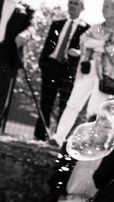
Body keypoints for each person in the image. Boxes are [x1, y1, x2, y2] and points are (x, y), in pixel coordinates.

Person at [52, 0, 114, 147]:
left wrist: (97, 43)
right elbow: (83, 41)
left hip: (105, 75)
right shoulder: (95, 27)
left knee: (94, 110)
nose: (103, 9)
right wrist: (103, 45)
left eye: (107, 7)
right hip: (88, 69)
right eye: (103, 6)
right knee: (73, 104)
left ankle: (86, 144)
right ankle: (58, 138)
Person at [34, 0, 89, 141]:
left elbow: (86, 51)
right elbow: (47, 45)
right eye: (70, 2)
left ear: (82, 8)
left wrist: (78, 53)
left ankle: (58, 139)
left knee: (64, 106)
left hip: (68, 71)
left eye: (76, 3)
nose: (72, 5)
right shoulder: (56, 24)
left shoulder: (87, 29)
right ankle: (40, 137)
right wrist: (42, 63)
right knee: (45, 103)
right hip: (50, 67)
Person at [0, 0, 33, 125]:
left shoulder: (28, 9)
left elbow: (31, 28)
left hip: (8, 55)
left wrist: (25, 34)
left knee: (2, 92)